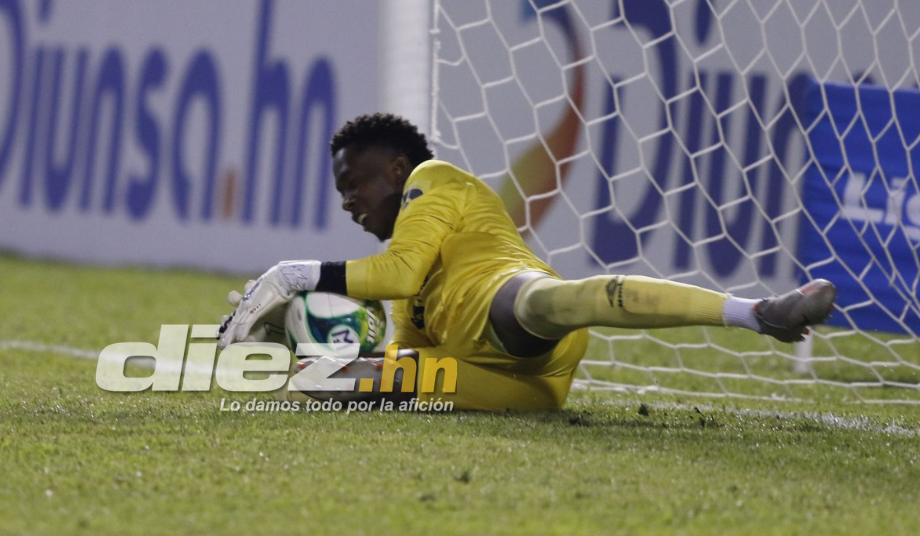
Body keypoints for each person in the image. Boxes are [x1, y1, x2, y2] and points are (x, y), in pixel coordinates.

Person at [218, 113, 836, 411]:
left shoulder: (434, 180)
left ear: (398, 169)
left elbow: (400, 270)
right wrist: (302, 343)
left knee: (551, 300)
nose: (348, 202)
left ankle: (758, 313)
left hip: (511, 306)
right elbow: (405, 351)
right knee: (326, 384)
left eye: (354, 184)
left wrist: (293, 275)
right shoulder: (403, 294)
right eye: (341, 192)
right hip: (522, 389)